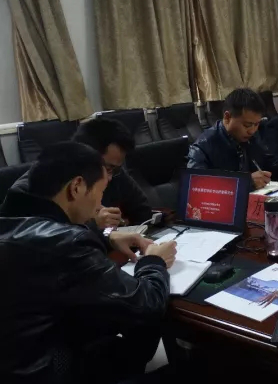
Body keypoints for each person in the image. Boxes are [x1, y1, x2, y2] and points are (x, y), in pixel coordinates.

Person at [0, 142, 177, 384]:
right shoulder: (67, 243)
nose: (100, 204)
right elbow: (147, 303)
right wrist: (154, 261)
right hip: (48, 370)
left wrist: (107, 237)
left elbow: (44, 244)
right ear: (77, 187)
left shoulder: (12, 212)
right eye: (101, 192)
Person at [12, 118, 152, 228]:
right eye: (107, 168)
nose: (109, 177)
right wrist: (94, 225)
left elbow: (142, 209)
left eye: (114, 170)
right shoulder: (28, 189)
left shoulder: (114, 173)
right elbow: (44, 241)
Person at [187, 88, 278, 190]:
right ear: (227, 117)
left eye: (256, 124)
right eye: (247, 125)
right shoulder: (203, 146)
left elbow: (266, 161)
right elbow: (197, 187)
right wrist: (246, 182)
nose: (252, 130)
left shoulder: (251, 136)